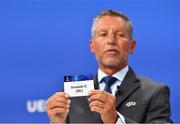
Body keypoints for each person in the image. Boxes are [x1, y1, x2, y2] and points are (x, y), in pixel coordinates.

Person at [46, 9, 172, 123]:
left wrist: (115, 120)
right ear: (92, 46)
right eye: (103, 34)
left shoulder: (155, 92)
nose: (111, 40)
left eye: (120, 35)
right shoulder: (70, 94)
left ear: (132, 46)